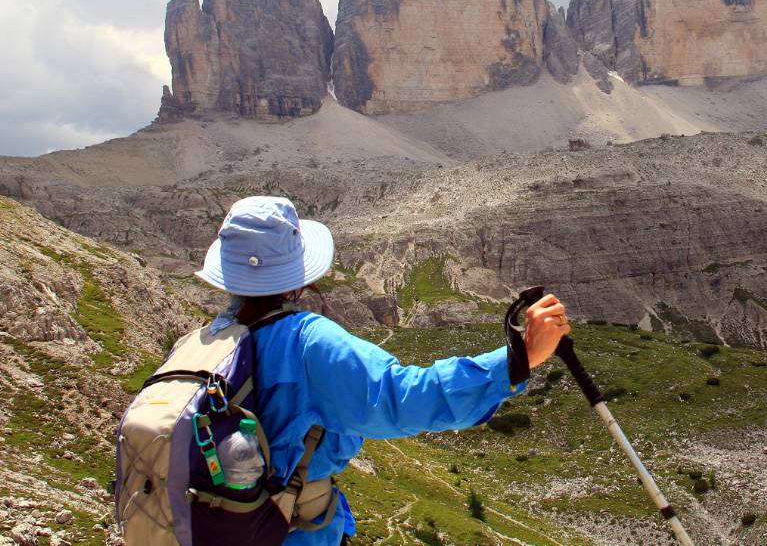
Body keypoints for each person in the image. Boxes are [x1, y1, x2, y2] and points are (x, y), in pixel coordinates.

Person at [195, 195, 571, 545]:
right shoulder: (308, 341)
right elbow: (405, 397)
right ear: (299, 273)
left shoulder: (201, 342)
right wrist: (517, 360)